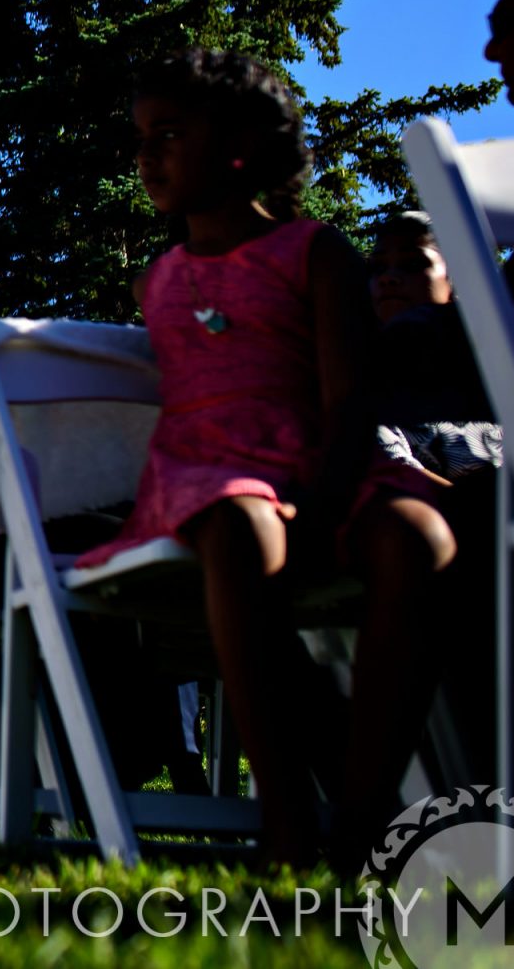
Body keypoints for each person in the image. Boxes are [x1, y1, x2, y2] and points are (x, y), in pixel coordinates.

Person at [84, 48, 456, 867]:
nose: (148, 154)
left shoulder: (314, 251)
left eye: (172, 133)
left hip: (324, 459)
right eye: (142, 136)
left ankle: (366, 816)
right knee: (240, 525)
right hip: (212, 469)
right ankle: (286, 817)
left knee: (418, 537)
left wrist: (326, 499)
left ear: (242, 146)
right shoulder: (161, 279)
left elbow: (352, 397)